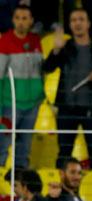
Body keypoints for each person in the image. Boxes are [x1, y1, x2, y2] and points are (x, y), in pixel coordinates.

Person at [42, 8, 92, 170]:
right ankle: (61, 191)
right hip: (67, 109)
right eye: (73, 20)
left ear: (88, 23)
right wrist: (56, 50)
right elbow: (47, 68)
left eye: (81, 19)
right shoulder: (64, 47)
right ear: (70, 25)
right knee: (64, 153)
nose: (77, 23)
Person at [0, 5, 44, 169]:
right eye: (17, 18)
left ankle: (20, 186)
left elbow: (41, 71)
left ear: (31, 21)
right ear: (13, 20)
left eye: (25, 18)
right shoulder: (5, 40)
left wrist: (40, 94)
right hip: (9, 104)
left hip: (32, 104)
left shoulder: (35, 40)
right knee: (3, 146)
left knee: (24, 148)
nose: (20, 22)